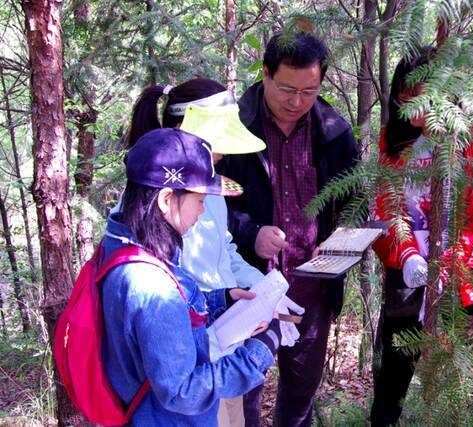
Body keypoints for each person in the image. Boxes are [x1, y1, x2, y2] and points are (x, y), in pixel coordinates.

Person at [125, 78, 304, 427]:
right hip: (192, 365)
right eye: (215, 145)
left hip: (222, 351)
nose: (221, 155)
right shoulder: (154, 204)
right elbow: (168, 295)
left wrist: (263, 292)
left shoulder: (209, 187)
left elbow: (225, 250)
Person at [217, 31, 359, 426]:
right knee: (241, 393)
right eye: (286, 89)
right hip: (246, 291)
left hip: (311, 290)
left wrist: (343, 245)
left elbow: (353, 204)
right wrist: (251, 232)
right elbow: (209, 209)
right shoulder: (235, 128)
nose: (297, 102)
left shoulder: (333, 133)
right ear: (265, 74)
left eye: (309, 91)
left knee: (300, 395)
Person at [101, 128, 282, 425]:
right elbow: (182, 391)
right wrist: (259, 352)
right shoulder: (153, 286)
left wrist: (219, 300)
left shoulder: (124, 246)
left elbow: (156, 332)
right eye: (199, 200)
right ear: (166, 199)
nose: (202, 210)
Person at [370, 48, 473, 426]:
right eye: (405, 104)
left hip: (467, 275)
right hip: (407, 267)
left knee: (472, 374)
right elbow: (387, 202)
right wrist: (408, 254)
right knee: (394, 369)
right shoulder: (393, 139)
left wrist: (451, 266)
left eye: (424, 104)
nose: (415, 116)